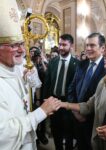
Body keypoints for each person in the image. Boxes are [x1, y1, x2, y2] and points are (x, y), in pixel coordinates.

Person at [0, 0, 60, 149]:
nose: (21, 50)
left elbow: (36, 85)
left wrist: (32, 76)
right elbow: (4, 134)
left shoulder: (19, 66)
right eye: (14, 45)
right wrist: (41, 112)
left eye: (21, 43)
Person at [68, 32, 106, 150]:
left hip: (96, 122)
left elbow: (104, 99)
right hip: (77, 118)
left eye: (92, 45)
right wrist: (75, 112)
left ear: (102, 48)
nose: (88, 49)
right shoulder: (81, 64)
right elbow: (71, 89)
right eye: (87, 45)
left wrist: (86, 115)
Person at [43, 34, 79, 150]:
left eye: (64, 45)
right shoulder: (53, 62)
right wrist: (45, 99)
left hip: (68, 103)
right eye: (60, 44)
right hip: (53, 101)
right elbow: (47, 82)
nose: (61, 47)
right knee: (55, 130)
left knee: (69, 132)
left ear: (71, 46)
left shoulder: (77, 65)